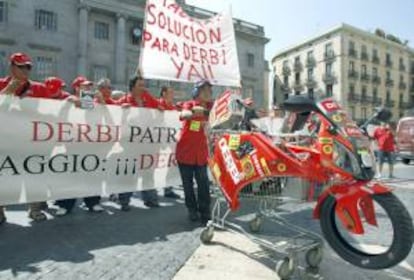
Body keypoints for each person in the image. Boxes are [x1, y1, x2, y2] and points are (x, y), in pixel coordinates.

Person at [0, 52, 49, 223]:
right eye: (21, 67)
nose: (26, 70)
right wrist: (8, 91)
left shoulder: (39, 88)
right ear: (12, 67)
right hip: (5, 142)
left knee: (33, 176)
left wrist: (76, 99)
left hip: (31, 143)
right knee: (4, 177)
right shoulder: (1, 85)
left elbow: (60, 99)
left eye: (28, 67)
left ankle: (34, 210)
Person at [54, 76, 105, 216]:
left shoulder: (92, 102)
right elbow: (60, 116)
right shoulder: (69, 100)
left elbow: (105, 115)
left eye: (89, 86)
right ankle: (65, 204)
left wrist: (101, 101)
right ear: (77, 88)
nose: (88, 88)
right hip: (73, 144)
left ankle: (93, 202)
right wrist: (68, 102)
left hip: (90, 143)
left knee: (92, 174)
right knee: (70, 175)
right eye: (85, 86)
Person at [116, 75, 163, 210]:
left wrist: (159, 109)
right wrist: (121, 110)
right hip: (130, 145)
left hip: (147, 144)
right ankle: (124, 201)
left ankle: (150, 199)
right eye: (140, 85)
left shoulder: (147, 98)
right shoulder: (124, 100)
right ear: (132, 87)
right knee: (130, 173)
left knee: (148, 172)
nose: (143, 88)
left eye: (144, 85)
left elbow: (159, 106)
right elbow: (111, 112)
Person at [176, 80, 213, 225]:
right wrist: (192, 112)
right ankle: (192, 210)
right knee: (188, 185)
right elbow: (183, 114)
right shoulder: (190, 104)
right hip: (185, 153)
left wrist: (204, 112)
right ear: (197, 92)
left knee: (203, 183)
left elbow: (220, 114)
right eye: (205, 90)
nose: (208, 93)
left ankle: (205, 211)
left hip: (201, 154)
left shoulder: (211, 107)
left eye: (210, 90)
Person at [159, 86, 181, 199]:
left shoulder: (173, 108)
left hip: (171, 140)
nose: (173, 94)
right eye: (170, 92)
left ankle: (168, 189)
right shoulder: (158, 105)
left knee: (170, 165)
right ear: (163, 93)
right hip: (158, 140)